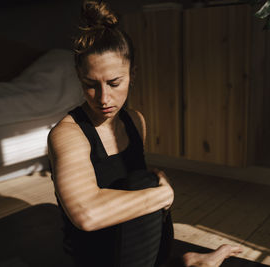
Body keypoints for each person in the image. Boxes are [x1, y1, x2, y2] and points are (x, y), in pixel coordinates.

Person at [47, 1, 242, 266]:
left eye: (115, 83)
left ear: (132, 75)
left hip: (136, 245)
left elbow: (130, 180)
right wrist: (162, 193)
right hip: (96, 256)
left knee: (145, 180)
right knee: (149, 187)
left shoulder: (135, 121)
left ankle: (181, 261)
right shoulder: (68, 135)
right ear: (79, 78)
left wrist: (155, 179)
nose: (104, 98)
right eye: (91, 85)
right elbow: (86, 215)